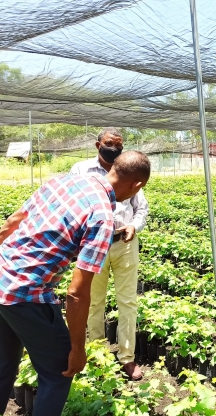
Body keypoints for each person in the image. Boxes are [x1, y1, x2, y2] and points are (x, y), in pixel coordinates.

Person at [0, 151, 151, 416]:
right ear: (137, 186)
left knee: (2, 363)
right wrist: (77, 349)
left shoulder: (62, 181)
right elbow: (77, 293)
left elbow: (12, 223)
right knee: (59, 371)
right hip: (25, 296)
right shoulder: (102, 215)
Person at [70, 128, 149, 381]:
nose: (114, 148)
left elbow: (141, 208)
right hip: (93, 245)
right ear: (98, 145)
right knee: (94, 302)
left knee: (128, 302)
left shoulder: (128, 171)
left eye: (119, 144)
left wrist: (133, 226)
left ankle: (127, 358)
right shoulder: (81, 171)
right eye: (109, 143)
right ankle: (98, 354)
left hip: (124, 243)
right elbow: (73, 206)